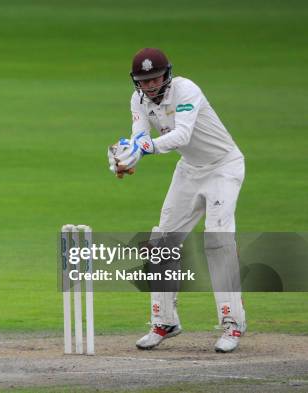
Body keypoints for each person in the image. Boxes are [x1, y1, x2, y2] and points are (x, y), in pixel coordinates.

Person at [107, 48, 247, 353]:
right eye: (144, 81)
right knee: (161, 241)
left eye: (155, 78)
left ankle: (232, 323)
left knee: (217, 239)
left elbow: (181, 136)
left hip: (223, 166)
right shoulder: (139, 100)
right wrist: (126, 160)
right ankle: (165, 321)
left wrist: (143, 149)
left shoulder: (186, 89)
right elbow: (140, 136)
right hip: (189, 170)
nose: (150, 86)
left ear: (167, 75)